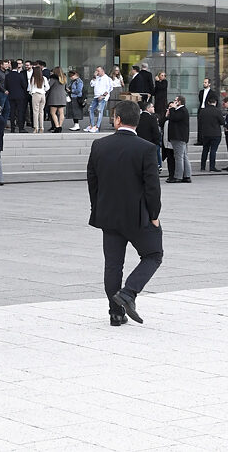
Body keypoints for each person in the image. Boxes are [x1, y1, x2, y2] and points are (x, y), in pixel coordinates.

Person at [87, 100, 163, 326]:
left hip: (108, 215)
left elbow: (92, 182)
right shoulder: (146, 148)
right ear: (137, 121)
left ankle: (115, 313)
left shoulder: (99, 145)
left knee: (113, 265)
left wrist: (97, 208)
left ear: (118, 119)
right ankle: (129, 292)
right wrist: (154, 215)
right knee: (153, 254)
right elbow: (152, 187)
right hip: (138, 216)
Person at [165, 96, 191, 183]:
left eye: (175, 100)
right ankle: (186, 175)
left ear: (179, 102)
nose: (173, 102)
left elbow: (174, 118)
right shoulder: (181, 110)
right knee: (183, 156)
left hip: (178, 137)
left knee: (179, 157)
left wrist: (172, 108)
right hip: (180, 137)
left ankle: (178, 176)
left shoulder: (181, 110)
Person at [197, 97, 222, 171]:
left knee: (205, 150)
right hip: (215, 133)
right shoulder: (217, 111)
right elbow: (222, 122)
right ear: (215, 102)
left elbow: (200, 120)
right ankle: (212, 167)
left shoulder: (203, 111)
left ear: (208, 103)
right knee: (213, 150)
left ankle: (202, 166)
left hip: (205, 133)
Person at [87, 66, 113, 133]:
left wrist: (103, 95)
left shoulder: (107, 78)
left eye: (98, 71)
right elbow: (92, 84)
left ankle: (97, 126)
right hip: (96, 96)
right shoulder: (97, 78)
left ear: (102, 71)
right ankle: (92, 125)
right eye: (96, 71)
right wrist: (94, 77)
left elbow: (109, 88)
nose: (97, 72)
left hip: (102, 97)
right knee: (90, 110)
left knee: (99, 111)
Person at [45, 67, 68, 133]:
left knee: (53, 113)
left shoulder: (53, 79)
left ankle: (57, 126)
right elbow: (66, 88)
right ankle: (60, 126)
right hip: (62, 97)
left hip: (54, 97)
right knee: (61, 113)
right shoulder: (64, 78)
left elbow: (48, 87)